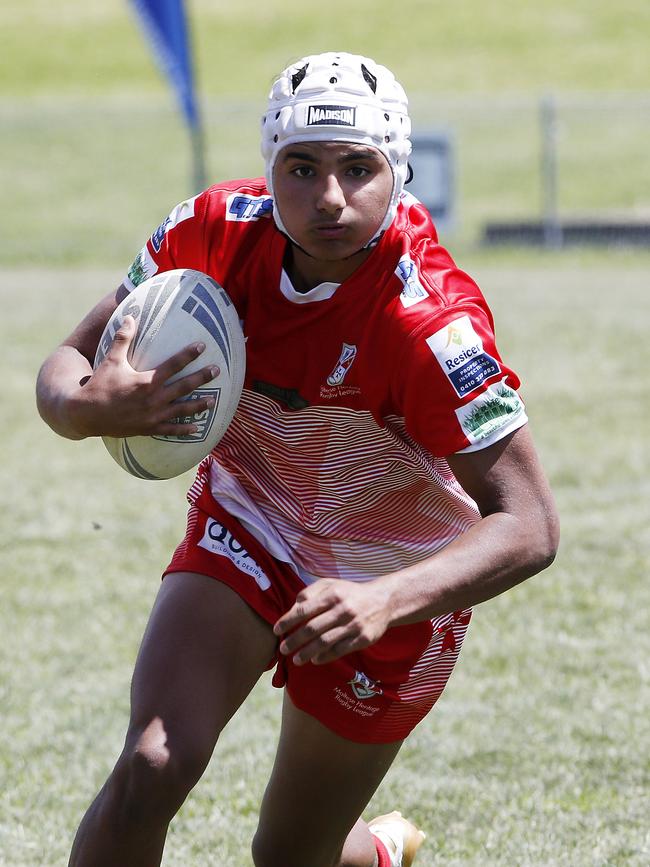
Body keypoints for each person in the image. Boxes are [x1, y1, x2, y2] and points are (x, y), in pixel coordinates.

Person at [36, 52, 559, 867]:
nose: (330, 197)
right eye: (302, 168)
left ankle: (377, 854)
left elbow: (530, 525)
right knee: (151, 766)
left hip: (391, 576)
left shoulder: (429, 324)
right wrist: (85, 406)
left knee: (290, 854)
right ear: (269, 166)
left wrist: (384, 599)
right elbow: (62, 368)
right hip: (251, 520)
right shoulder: (209, 234)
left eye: (359, 169)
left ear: (401, 172)